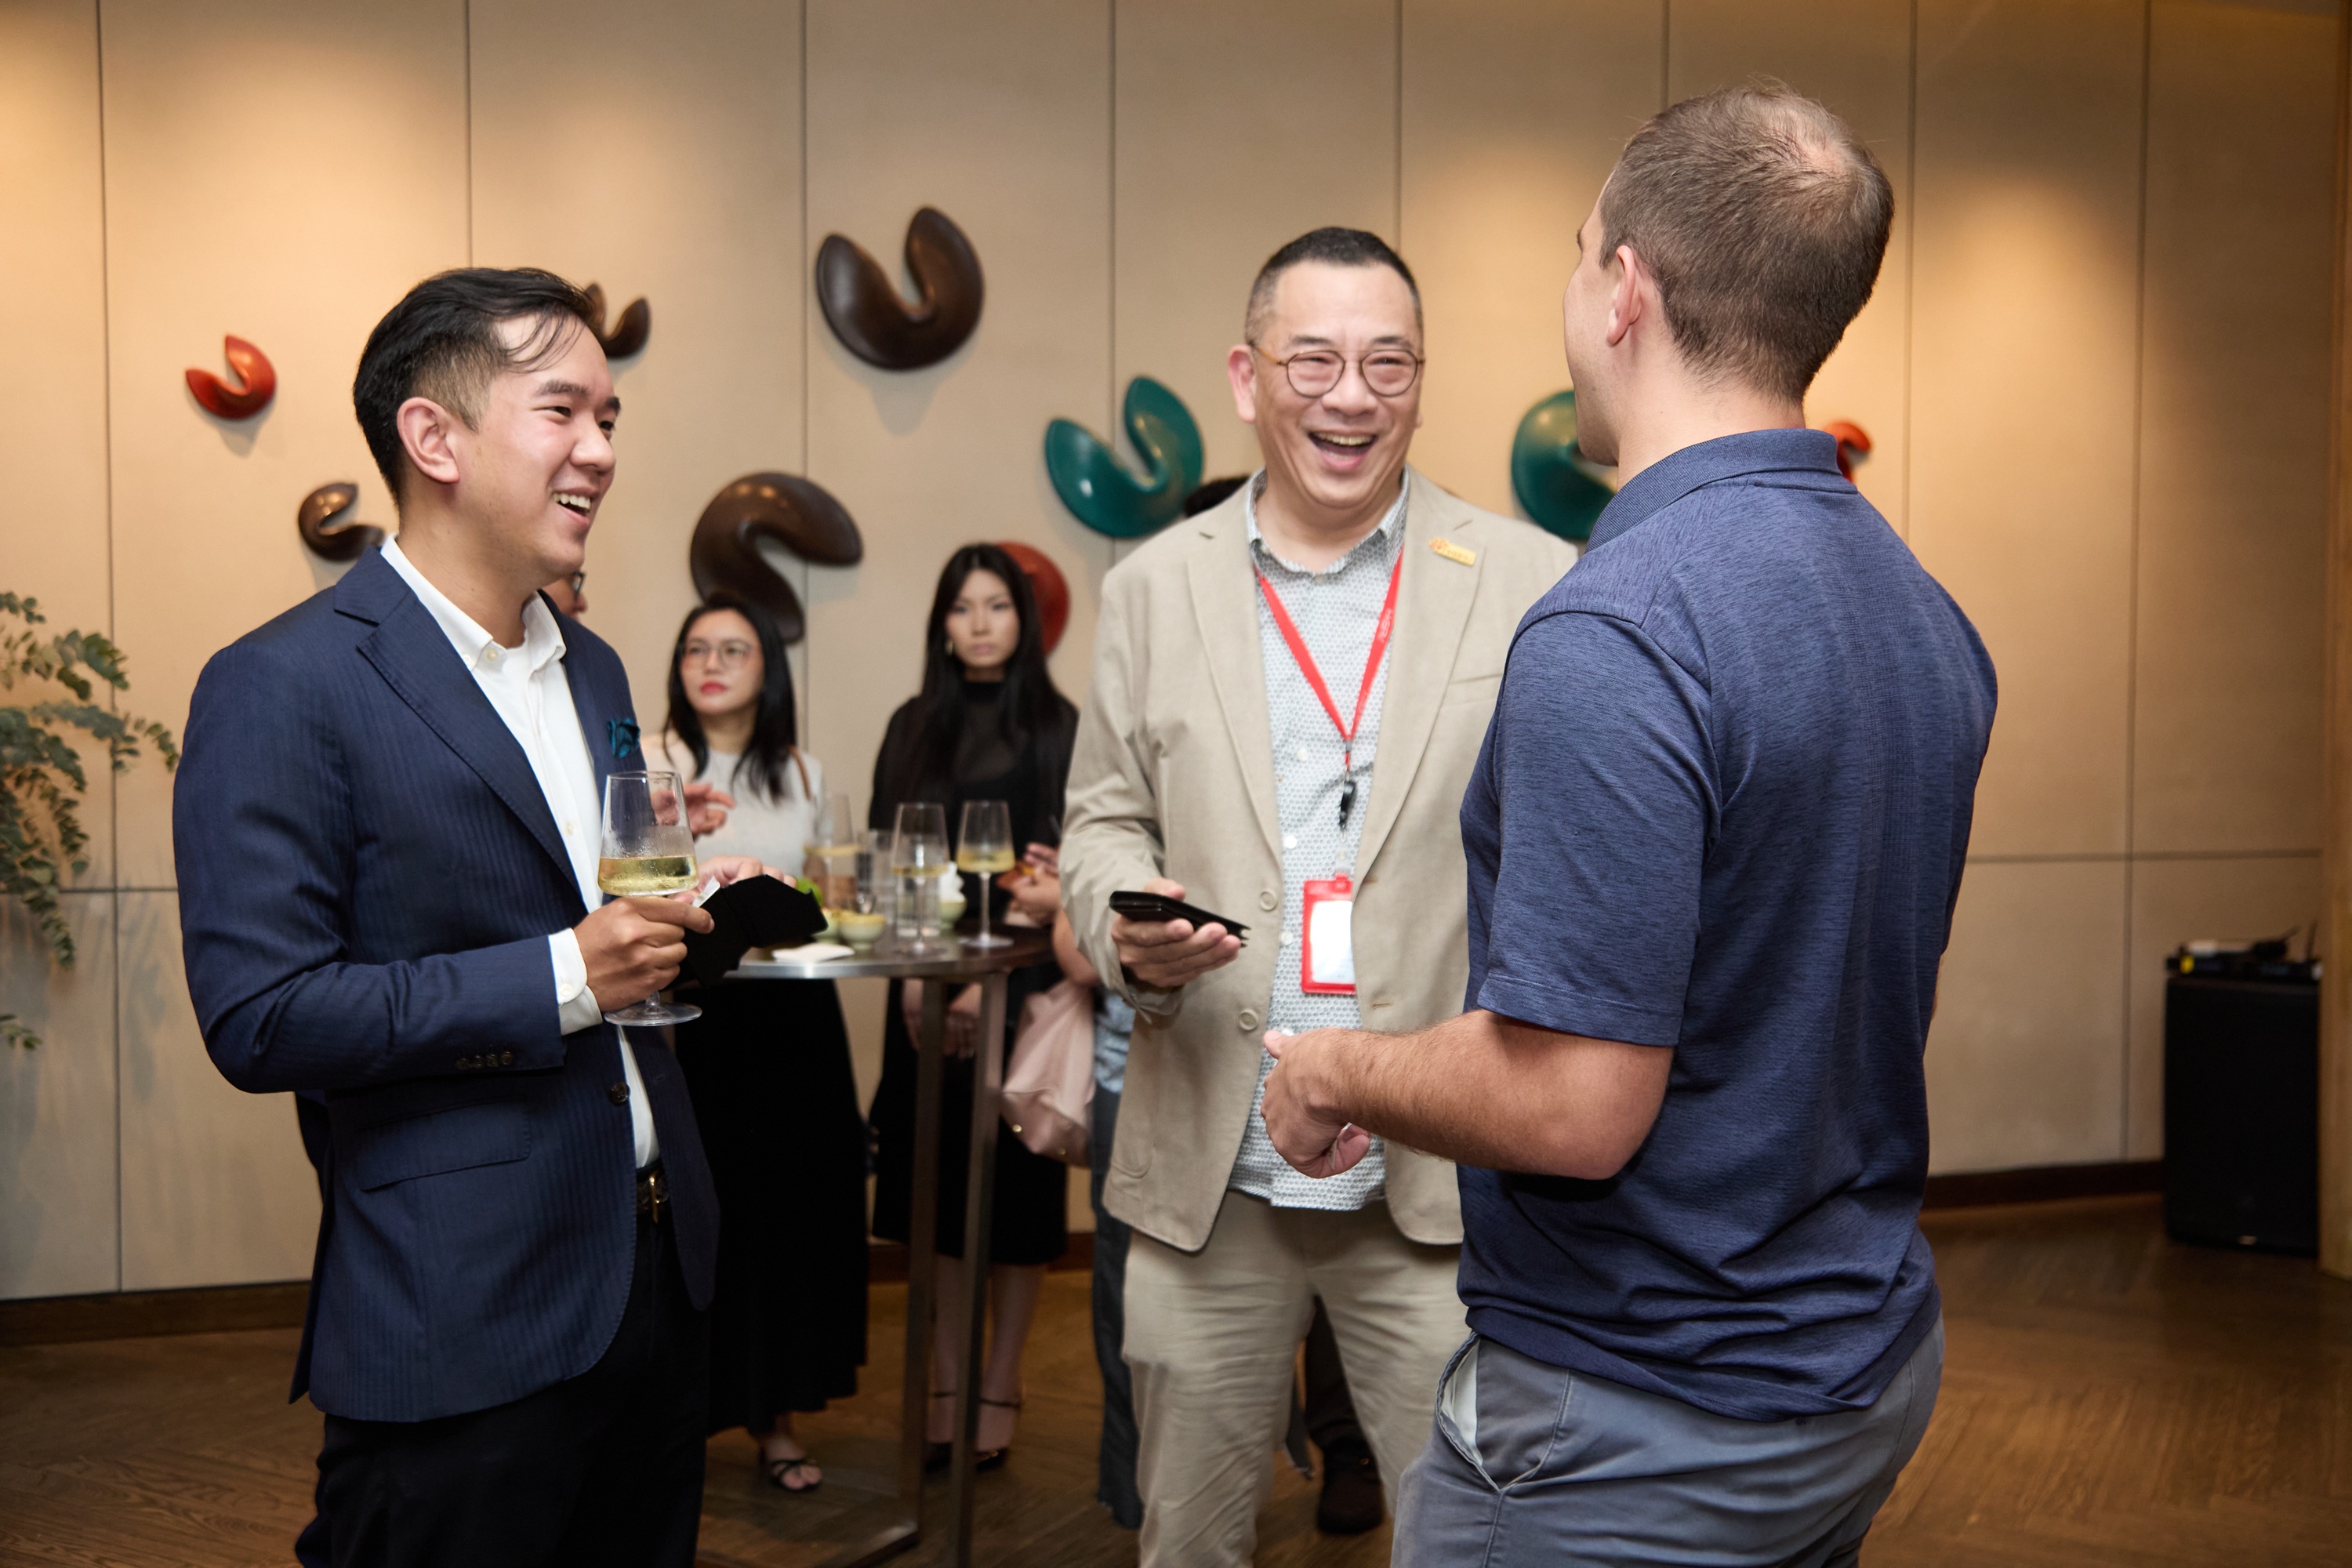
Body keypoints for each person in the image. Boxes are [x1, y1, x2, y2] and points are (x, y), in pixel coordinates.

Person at [1260, 87, 1998, 1567]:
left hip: (1640, 1413)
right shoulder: (1922, 608)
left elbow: (1576, 1106)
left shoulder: (1619, 627)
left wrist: (1332, 1066)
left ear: (1624, 292)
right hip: (1853, 1366)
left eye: (1577, 247)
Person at [175, 267, 779, 1568]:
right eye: (562, 411)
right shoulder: (282, 683)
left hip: (656, 1275)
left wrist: (677, 917)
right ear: (433, 438)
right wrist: (567, 973)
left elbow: (598, 905)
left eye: (610, 418)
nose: (601, 450)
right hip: (461, 1309)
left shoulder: (596, 667)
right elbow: (262, 1016)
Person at [1059, 227, 1576, 1566]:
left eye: (1388, 364)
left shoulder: (1531, 581)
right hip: (1207, 1174)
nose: (1353, 396)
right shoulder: (1151, 588)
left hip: (1440, 1183)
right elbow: (1101, 820)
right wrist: (1127, 929)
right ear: (1247, 377)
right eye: (1315, 362)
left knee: (1478, 1545)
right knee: (1187, 1543)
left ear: (1422, 381)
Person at [867, 543, 1078, 1468]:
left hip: (1025, 987)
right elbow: (887, 861)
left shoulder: (1060, 725)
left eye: (998, 605)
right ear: (942, 624)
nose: (981, 622)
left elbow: (1063, 871)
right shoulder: (913, 724)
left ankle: (1001, 1377)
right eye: (963, 606)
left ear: (1024, 621)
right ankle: (947, 1379)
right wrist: (924, 977)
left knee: (1018, 1201)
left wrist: (983, 979)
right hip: (921, 980)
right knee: (939, 1194)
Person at [651, 593, 867, 1494]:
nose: (712, 663)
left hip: (791, 1017)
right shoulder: (652, 761)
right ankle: (676, 1424)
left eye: (733, 649)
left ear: (768, 669)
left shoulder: (803, 772)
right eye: (696, 647)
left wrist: (785, 887)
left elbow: (830, 899)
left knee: (785, 1215)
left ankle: (775, 1416)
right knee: (699, 1217)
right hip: (691, 1015)